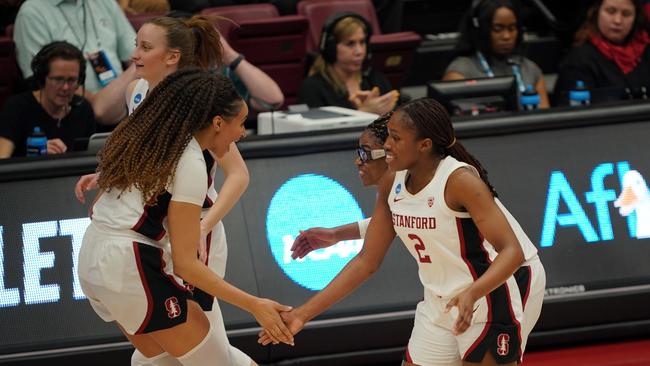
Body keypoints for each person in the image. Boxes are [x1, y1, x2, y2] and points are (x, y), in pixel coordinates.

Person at [261, 98, 546, 366]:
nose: (387, 146)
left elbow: (511, 251)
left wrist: (472, 293)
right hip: (440, 300)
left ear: (423, 145)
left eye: (394, 138)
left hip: (493, 289)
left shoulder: (459, 181)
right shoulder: (394, 184)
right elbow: (373, 254)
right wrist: (302, 314)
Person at [78, 69, 294, 366]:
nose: (242, 133)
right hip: (130, 263)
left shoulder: (154, 137)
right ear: (218, 122)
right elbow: (186, 264)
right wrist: (255, 305)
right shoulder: (190, 160)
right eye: (241, 123)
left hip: (93, 256)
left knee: (166, 362)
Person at [91, 12, 284, 126]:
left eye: (147, 46)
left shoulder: (212, 86)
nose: (134, 53)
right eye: (137, 45)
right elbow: (102, 111)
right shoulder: (139, 87)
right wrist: (144, 57)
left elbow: (273, 100)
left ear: (175, 54)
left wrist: (229, 55)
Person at [290, 114, 389, 260]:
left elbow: (367, 264)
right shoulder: (396, 194)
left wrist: (336, 235)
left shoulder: (428, 192)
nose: (358, 161)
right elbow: (389, 223)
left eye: (365, 153)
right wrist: (335, 234)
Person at [443, 0, 550, 109]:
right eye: (498, 29)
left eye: (512, 28)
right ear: (482, 31)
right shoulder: (460, 73)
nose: (506, 36)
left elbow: (546, 118)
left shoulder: (530, 69)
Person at [13, 0, 136, 93]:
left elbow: (135, 57)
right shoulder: (31, 12)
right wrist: (94, 103)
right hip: (71, 110)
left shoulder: (105, 2)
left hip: (123, 101)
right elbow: (40, 82)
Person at [0, 41, 96, 158]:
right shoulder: (17, 107)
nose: (65, 87)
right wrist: (35, 154)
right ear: (42, 78)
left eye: (71, 80)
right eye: (58, 79)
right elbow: (2, 160)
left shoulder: (83, 109)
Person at [297, 13, 400, 115]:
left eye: (362, 42)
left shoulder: (376, 80)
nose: (359, 51)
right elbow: (316, 130)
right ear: (331, 49)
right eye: (350, 44)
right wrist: (364, 113)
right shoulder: (313, 87)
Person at [554, 0, 650, 102]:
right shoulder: (578, 59)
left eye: (626, 14)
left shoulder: (645, 50)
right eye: (610, 11)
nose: (618, 20)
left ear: (636, 18)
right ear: (596, 13)